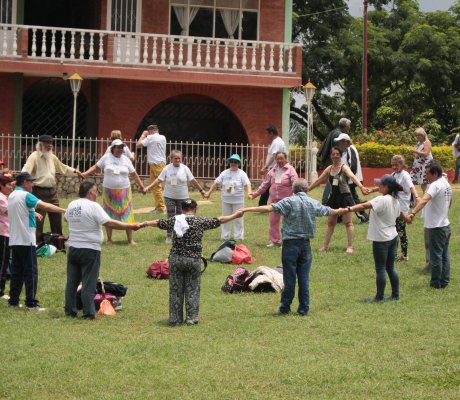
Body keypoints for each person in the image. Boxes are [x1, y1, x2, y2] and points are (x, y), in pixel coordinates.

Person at [242, 179, 341, 316]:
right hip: (305, 245)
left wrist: (247, 209)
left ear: (293, 190)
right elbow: (329, 211)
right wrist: (348, 209)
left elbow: (270, 208)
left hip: (290, 245)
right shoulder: (312, 202)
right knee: (304, 279)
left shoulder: (288, 201)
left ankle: (285, 308)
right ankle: (303, 309)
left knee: (289, 279)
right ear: (306, 189)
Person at [143, 199, 242, 325]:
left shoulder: (175, 220)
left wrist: (145, 223)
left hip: (176, 259)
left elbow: (159, 223)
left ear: (182, 209)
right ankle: (191, 318)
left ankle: (175, 319)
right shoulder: (200, 221)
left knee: (175, 290)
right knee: (193, 289)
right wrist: (235, 215)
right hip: (193, 260)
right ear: (195, 209)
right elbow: (219, 220)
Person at [64, 182, 142, 320]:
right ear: (90, 193)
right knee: (89, 282)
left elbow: (66, 219)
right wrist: (130, 226)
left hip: (73, 248)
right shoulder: (93, 206)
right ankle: (88, 313)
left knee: (72, 282)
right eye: (95, 192)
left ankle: (70, 311)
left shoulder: (72, 205)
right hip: (90, 249)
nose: (96, 195)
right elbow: (109, 222)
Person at [344, 174, 409, 303]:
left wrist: (348, 209)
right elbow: (399, 215)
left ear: (386, 187)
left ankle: (379, 298)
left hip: (381, 239)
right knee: (390, 267)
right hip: (393, 237)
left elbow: (364, 206)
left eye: (381, 184)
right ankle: (395, 295)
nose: (378, 186)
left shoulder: (381, 199)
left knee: (380, 269)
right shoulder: (395, 200)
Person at [7, 172, 66, 311]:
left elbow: (20, 211)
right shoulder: (26, 195)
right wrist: (65, 210)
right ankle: (31, 303)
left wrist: (32, 212)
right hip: (27, 240)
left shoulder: (12, 196)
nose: (32, 184)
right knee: (31, 272)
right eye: (31, 182)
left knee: (17, 272)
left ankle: (13, 301)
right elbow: (46, 206)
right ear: (25, 182)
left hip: (15, 240)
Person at [81, 139, 145, 245]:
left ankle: (130, 240)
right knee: (108, 214)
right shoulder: (106, 157)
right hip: (109, 191)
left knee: (127, 214)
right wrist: (85, 174)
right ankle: (109, 239)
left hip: (124, 191)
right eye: (118, 147)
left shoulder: (126, 159)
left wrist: (142, 186)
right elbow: (96, 167)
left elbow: (134, 174)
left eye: (121, 147)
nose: (120, 149)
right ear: (113, 148)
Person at [21, 134, 84, 241]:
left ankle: (58, 239)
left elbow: (62, 167)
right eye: (47, 144)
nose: (49, 146)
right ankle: (36, 241)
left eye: (51, 144)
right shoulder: (34, 156)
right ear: (40, 145)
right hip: (38, 191)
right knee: (39, 218)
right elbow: (26, 171)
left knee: (56, 215)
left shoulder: (52, 157)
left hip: (52, 191)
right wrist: (20, 183)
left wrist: (75, 171)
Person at [308, 146, 369, 254]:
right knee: (331, 223)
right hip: (333, 199)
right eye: (333, 154)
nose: (335, 156)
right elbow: (318, 181)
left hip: (345, 197)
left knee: (348, 222)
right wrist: (307, 189)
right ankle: (324, 247)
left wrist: (361, 187)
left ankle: (350, 247)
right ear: (331, 156)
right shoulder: (329, 169)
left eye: (337, 154)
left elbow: (352, 176)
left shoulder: (344, 167)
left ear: (340, 156)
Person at [143, 150, 206, 243]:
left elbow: (193, 180)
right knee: (171, 216)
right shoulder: (167, 168)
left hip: (183, 197)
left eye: (179, 158)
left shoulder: (185, 168)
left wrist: (201, 190)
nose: (177, 160)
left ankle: (179, 235)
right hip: (169, 197)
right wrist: (148, 187)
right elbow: (158, 180)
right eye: (175, 158)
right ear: (171, 159)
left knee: (181, 217)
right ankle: (169, 236)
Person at [407, 162, 452, 289]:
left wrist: (413, 212)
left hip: (436, 227)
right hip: (445, 224)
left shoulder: (435, 185)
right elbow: (449, 201)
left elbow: (425, 200)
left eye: (428, 174)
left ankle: (436, 283)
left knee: (436, 255)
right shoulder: (446, 183)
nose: (426, 176)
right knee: (444, 255)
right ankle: (444, 281)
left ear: (435, 174)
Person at [250, 151, 298, 247]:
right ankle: (275, 241)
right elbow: (265, 184)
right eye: (277, 158)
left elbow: (295, 182)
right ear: (275, 160)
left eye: (281, 158)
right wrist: (255, 194)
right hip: (273, 201)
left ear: (285, 159)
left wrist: (298, 194)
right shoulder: (273, 170)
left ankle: (285, 242)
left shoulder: (290, 169)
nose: (279, 160)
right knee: (273, 222)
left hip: (286, 200)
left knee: (287, 222)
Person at [204, 154, 252, 241]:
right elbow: (216, 182)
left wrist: (249, 193)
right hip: (226, 200)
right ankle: (225, 237)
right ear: (229, 163)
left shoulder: (242, 173)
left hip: (238, 201)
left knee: (238, 219)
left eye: (236, 162)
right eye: (231, 162)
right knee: (225, 218)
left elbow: (248, 183)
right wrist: (209, 193)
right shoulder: (224, 173)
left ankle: (238, 237)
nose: (233, 163)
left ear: (238, 163)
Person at [334, 132, 368, 223]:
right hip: (345, 180)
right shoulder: (344, 150)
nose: (339, 144)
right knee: (340, 197)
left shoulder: (350, 149)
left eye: (340, 142)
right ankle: (339, 217)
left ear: (346, 142)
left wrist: (347, 179)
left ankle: (363, 216)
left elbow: (353, 166)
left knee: (352, 199)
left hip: (350, 181)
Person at [317, 118, 352, 204]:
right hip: (333, 161)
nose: (350, 127)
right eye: (349, 125)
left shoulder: (335, 131)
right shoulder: (338, 134)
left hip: (331, 159)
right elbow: (337, 150)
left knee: (332, 181)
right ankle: (325, 201)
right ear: (346, 126)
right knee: (331, 181)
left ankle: (325, 201)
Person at [136, 124, 167, 213]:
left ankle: (161, 208)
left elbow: (138, 145)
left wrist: (143, 135)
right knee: (155, 186)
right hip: (160, 163)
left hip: (155, 164)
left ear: (150, 131)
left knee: (156, 186)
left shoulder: (150, 138)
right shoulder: (163, 137)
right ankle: (158, 206)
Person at [258, 126, 287, 206]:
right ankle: (263, 205)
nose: (266, 136)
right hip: (275, 169)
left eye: (267, 134)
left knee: (271, 186)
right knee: (272, 186)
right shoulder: (278, 141)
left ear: (271, 133)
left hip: (276, 169)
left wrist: (265, 167)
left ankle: (263, 205)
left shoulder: (277, 142)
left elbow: (273, 155)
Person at [0, 175, 13, 299]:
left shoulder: (4, 197)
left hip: (4, 233)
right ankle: (0, 291)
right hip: (3, 234)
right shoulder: (2, 199)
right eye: (8, 185)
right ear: (1, 186)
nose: (11, 187)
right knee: (3, 262)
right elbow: (10, 212)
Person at [409, 127, 432, 193]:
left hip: (425, 166)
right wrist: (413, 151)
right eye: (416, 135)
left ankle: (426, 197)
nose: (418, 136)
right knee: (410, 181)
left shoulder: (427, 142)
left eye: (419, 135)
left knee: (424, 183)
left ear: (423, 135)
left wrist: (414, 151)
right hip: (418, 167)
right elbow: (417, 154)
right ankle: (413, 197)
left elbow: (425, 153)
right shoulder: (419, 143)